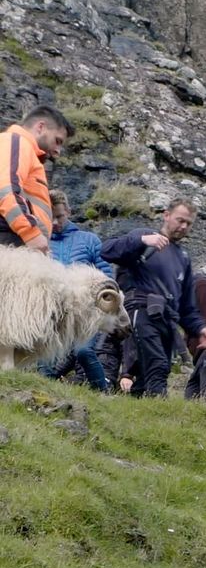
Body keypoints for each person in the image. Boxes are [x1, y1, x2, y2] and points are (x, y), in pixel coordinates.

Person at [101, 198, 206, 397]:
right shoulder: (143, 237)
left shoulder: (183, 258)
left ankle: (140, 414)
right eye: (180, 220)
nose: (184, 226)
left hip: (167, 319)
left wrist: (201, 329)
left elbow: (187, 307)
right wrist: (142, 241)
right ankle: (160, 408)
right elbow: (107, 250)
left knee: (151, 373)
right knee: (158, 366)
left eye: (188, 223)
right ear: (166, 215)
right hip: (140, 310)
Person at [40, 190, 112, 390]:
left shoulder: (89, 240)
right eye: (50, 217)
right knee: (43, 358)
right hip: (52, 311)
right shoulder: (40, 242)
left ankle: (103, 393)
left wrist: (103, 306)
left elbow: (106, 276)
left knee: (83, 351)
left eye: (60, 216)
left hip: (85, 310)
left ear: (69, 212)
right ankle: (49, 398)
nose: (55, 222)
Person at [1, 105, 71, 251]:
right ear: (40, 127)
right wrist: (31, 233)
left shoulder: (25, 150)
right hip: (10, 243)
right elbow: (5, 188)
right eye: (57, 141)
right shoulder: (16, 142)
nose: (58, 151)